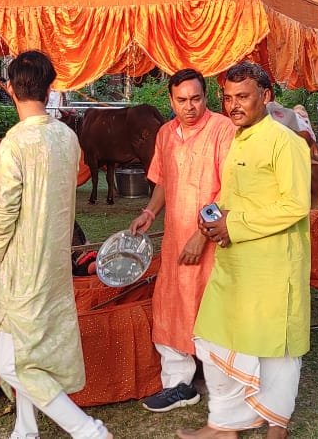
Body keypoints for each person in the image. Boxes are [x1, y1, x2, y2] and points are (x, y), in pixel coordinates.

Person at [0, 51, 111, 439]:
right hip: (56, 259)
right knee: (30, 349)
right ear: (50, 86)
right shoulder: (67, 138)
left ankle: (87, 430)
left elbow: (3, 209)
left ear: (9, 88)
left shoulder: (14, 144)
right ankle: (25, 430)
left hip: (24, 263)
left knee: (13, 360)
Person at [181, 62, 310, 439]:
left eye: (243, 96)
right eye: (228, 98)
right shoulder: (239, 137)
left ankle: (276, 428)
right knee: (217, 336)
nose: (234, 105)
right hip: (235, 261)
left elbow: (295, 205)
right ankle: (225, 425)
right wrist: (214, 215)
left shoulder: (285, 141)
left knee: (275, 350)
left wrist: (232, 223)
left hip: (273, 264)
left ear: (265, 96)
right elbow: (234, 193)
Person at [126, 69, 235, 413]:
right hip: (175, 239)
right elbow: (163, 180)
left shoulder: (223, 129)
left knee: (211, 306)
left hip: (213, 240)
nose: (190, 107)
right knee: (171, 305)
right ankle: (178, 385)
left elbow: (230, 190)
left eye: (196, 99)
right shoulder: (166, 133)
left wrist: (201, 237)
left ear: (206, 97)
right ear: (171, 101)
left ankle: (226, 387)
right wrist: (149, 212)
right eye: (182, 100)